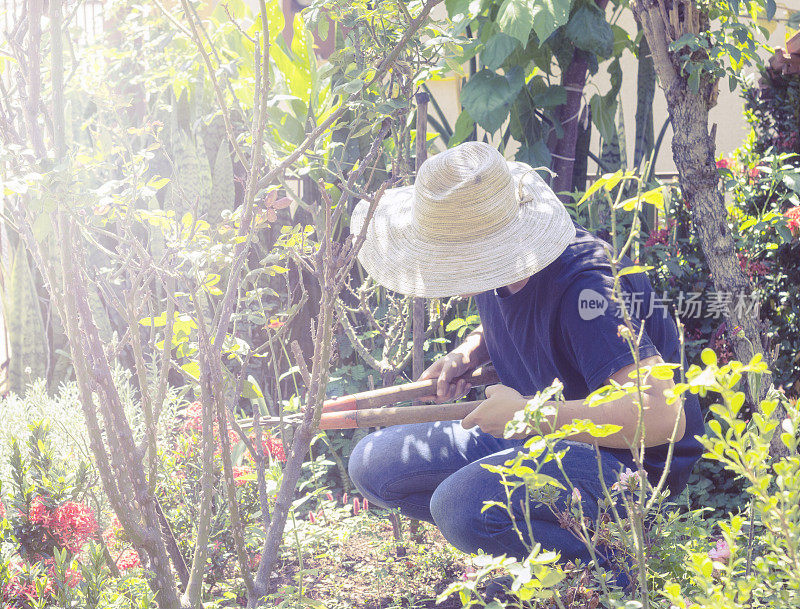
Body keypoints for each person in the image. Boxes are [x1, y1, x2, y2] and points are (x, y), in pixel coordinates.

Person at [346, 141, 703, 571]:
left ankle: (612, 568)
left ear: (487, 247)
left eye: (448, 259)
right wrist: (467, 354)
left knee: (459, 506)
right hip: (542, 434)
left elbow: (663, 415)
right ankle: (535, 551)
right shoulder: (501, 270)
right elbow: (518, 312)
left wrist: (531, 418)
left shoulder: (588, 293)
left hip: (627, 465)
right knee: (373, 464)